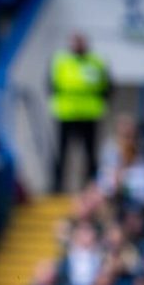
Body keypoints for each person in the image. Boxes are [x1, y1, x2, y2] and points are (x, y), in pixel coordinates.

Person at [49, 32, 111, 192]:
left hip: (89, 114)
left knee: (90, 153)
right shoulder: (61, 61)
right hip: (66, 114)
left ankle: (90, 187)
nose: (77, 45)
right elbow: (51, 85)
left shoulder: (97, 61)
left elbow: (108, 87)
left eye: (80, 42)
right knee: (62, 153)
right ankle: (57, 187)